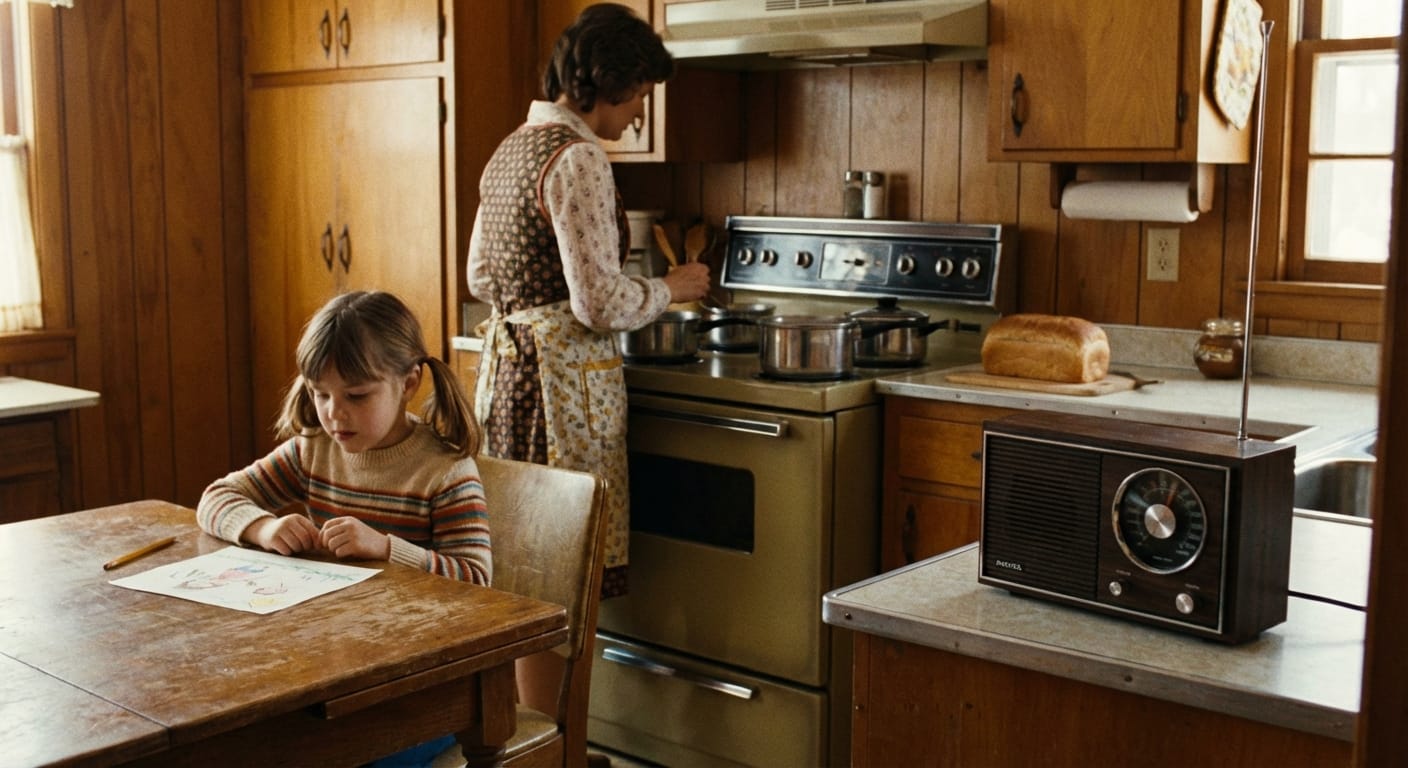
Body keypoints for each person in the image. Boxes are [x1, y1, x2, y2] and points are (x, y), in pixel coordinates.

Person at [466, 2, 709, 598]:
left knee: (525, 562)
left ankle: (532, 697)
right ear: (609, 82)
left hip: (509, 380)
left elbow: (477, 275)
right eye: (639, 96)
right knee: (560, 573)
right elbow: (597, 303)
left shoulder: (512, 148)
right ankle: (558, 698)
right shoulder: (578, 157)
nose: (639, 112)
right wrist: (671, 289)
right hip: (561, 389)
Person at [197, 290, 490, 585]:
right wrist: (263, 529)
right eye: (320, 394)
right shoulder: (312, 450)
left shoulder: (446, 472)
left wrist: (385, 548)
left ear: (408, 384)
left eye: (356, 396)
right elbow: (215, 498)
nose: (334, 413)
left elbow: (477, 580)